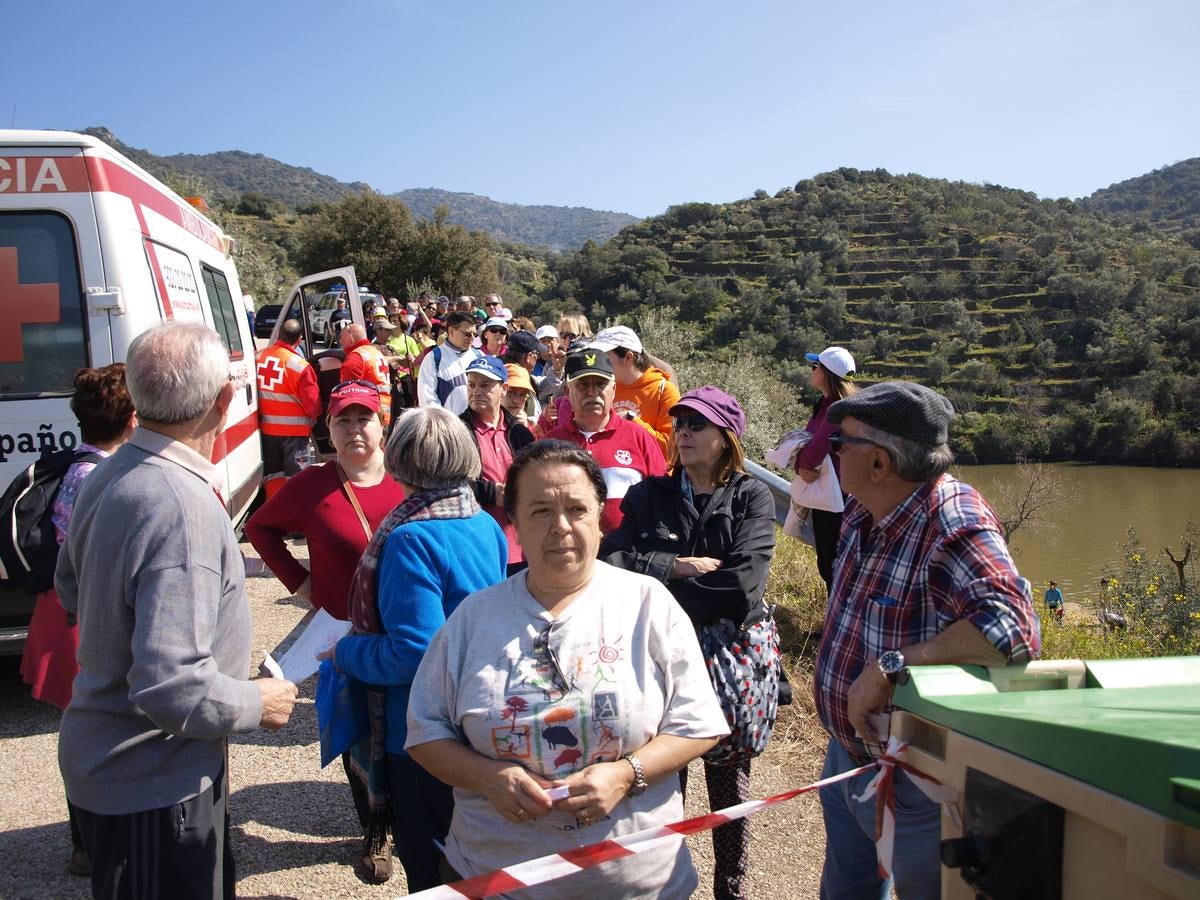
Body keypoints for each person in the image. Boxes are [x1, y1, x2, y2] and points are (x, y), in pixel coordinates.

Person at [405, 440, 729, 898]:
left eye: (576, 509)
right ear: (513, 522)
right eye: (539, 511)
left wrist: (625, 774)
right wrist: (487, 777)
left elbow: (698, 724)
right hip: (495, 880)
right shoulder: (472, 620)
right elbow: (424, 733)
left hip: (638, 883)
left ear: (600, 517)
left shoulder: (648, 603)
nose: (560, 526)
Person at [56, 322, 298, 900]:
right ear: (222, 401)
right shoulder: (181, 506)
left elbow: (70, 588)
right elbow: (171, 688)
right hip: (154, 788)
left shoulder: (110, 472)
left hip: (122, 774)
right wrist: (256, 702)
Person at [813, 380, 1040, 899]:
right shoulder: (862, 507)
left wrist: (891, 666)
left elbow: (1013, 629)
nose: (832, 453)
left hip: (915, 781)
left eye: (840, 443)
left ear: (879, 464)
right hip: (848, 758)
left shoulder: (951, 518)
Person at [318, 406, 507, 891]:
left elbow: (413, 652)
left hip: (418, 729)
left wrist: (346, 653)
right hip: (476, 713)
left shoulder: (409, 538)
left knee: (429, 866)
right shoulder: (483, 523)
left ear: (399, 460)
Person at [600, 386, 776, 900]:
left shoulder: (752, 496)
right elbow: (609, 564)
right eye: (679, 424)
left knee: (728, 785)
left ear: (726, 437)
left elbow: (743, 586)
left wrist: (655, 590)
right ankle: (659, 885)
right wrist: (671, 566)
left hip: (728, 667)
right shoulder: (647, 495)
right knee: (659, 782)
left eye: (697, 424)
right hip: (658, 661)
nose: (683, 432)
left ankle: (732, 888)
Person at [244, 379, 406, 879]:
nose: (355, 428)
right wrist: (300, 582)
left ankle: (409, 819)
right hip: (343, 634)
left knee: (407, 729)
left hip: (404, 632)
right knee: (358, 731)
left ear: (384, 424)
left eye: (364, 418)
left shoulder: (408, 478)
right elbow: (259, 529)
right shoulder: (313, 484)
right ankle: (375, 830)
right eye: (344, 419)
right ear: (328, 428)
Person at [20, 363, 136, 877]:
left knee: (82, 726)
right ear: (133, 418)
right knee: (96, 730)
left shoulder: (75, 467)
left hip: (62, 612)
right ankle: (92, 841)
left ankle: (86, 840)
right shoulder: (105, 476)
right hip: (84, 613)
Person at [545, 346, 667, 533]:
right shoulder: (550, 444)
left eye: (600, 384)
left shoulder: (639, 437)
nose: (593, 393)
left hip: (629, 555)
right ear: (568, 390)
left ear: (614, 389)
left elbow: (663, 498)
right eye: (583, 385)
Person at [460, 356, 535, 576]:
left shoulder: (520, 432)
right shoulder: (456, 431)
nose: (477, 391)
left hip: (522, 545)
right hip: (476, 544)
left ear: (503, 389)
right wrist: (492, 493)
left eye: (485, 385)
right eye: (472, 385)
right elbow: (446, 483)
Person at [794, 345, 857, 591]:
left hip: (835, 500)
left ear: (827, 373)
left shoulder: (834, 410)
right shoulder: (834, 405)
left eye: (815, 366)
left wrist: (799, 463)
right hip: (842, 496)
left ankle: (836, 623)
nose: (811, 371)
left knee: (831, 564)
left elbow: (811, 455)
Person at [590, 325, 681, 457]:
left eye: (606, 358)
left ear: (628, 358)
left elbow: (671, 451)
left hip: (651, 475)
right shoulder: (604, 389)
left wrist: (631, 420)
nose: (599, 363)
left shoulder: (664, 391)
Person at [257, 318, 321, 498]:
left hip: (267, 431)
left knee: (272, 476)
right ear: (299, 339)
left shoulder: (258, 358)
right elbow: (312, 404)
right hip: (294, 434)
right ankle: (294, 518)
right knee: (297, 480)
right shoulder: (300, 366)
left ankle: (273, 512)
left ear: (279, 334)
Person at [416, 310, 483, 414]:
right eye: (467, 334)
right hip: (449, 427)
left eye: (474, 334)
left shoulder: (480, 357)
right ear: (451, 331)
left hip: (478, 426)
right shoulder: (433, 359)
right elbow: (427, 401)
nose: (472, 338)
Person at [340, 323, 393, 429]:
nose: (340, 341)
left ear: (351, 338)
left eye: (341, 337)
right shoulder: (375, 352)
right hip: (383, 410)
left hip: (367, 414)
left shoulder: (355, 357)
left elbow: (348, 392)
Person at [502, 363, 539, 434]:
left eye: (522, 395)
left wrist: (525, 429)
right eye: (511, 393)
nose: (516, 401)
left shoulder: (531, 426)